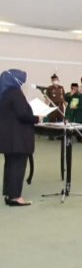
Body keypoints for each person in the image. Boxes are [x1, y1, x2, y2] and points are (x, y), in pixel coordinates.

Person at [0, 69, 39, 207]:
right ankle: (16, 197)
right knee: (18, 166)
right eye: (21, 80)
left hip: (8, 137)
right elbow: (22, 114)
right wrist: (37, 118)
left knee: (10, 165)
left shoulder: (4, 93)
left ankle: (10, 194)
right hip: (18, 138)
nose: (22, 82)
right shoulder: (15, 93)